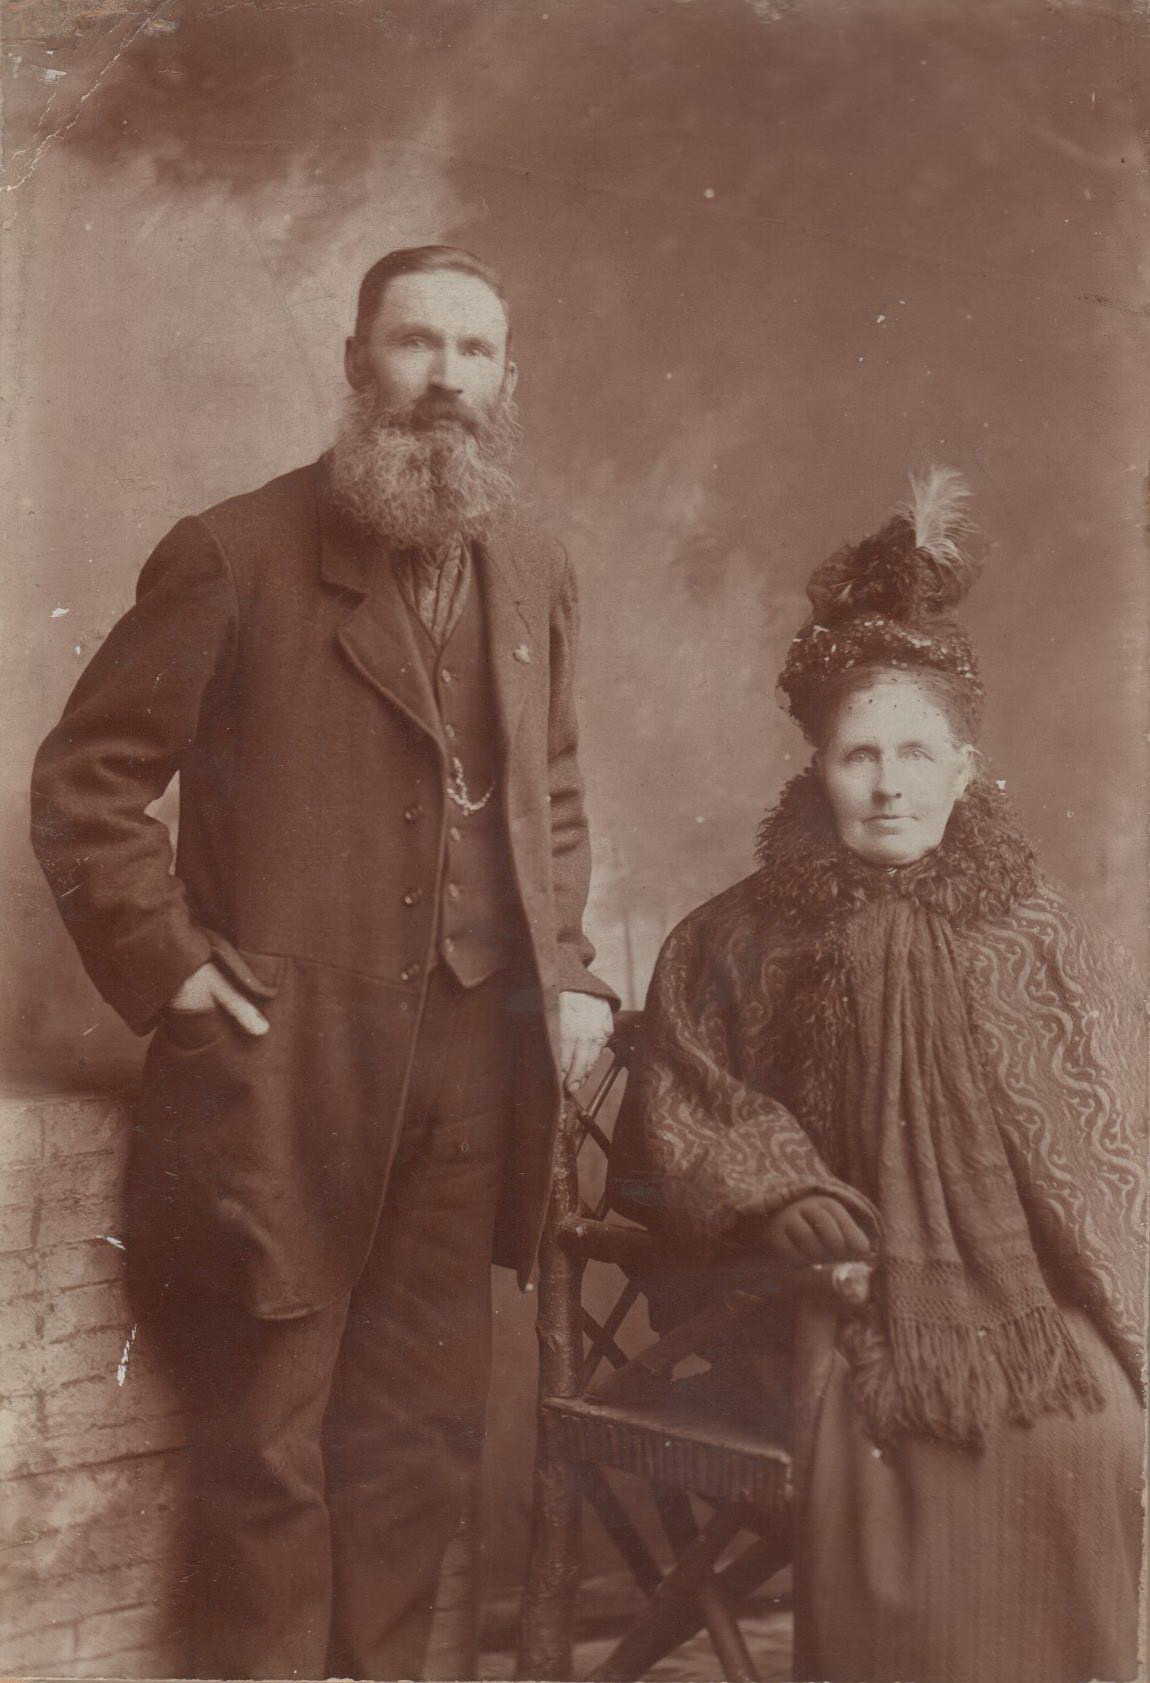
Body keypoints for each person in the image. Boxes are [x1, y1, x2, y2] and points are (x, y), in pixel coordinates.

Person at [30, 244, 616, 1681]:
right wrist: (169, 964)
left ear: (505, 380)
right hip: (283, 1076)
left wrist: (571, 964)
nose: (444, 382)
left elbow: (551, 793)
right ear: (357, 364)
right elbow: (85, 784)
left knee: (418, 1430)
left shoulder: (532, 564)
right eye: (414, 346)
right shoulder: (231, 554)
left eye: (473, 353)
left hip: (473, 1067)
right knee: (274, 1444)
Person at [610, 470, 1145, 1683]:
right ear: (818, 773)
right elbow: (686, 1103)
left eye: (917, 754)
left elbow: (1109, 1139)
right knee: (881, 1451)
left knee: (1092, 1431)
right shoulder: (737, 934)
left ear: (967, 771)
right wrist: (783, 1197)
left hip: (1026, 1299)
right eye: (860, 757)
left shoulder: (1036, 934)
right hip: (807, 1297)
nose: (890, 784)